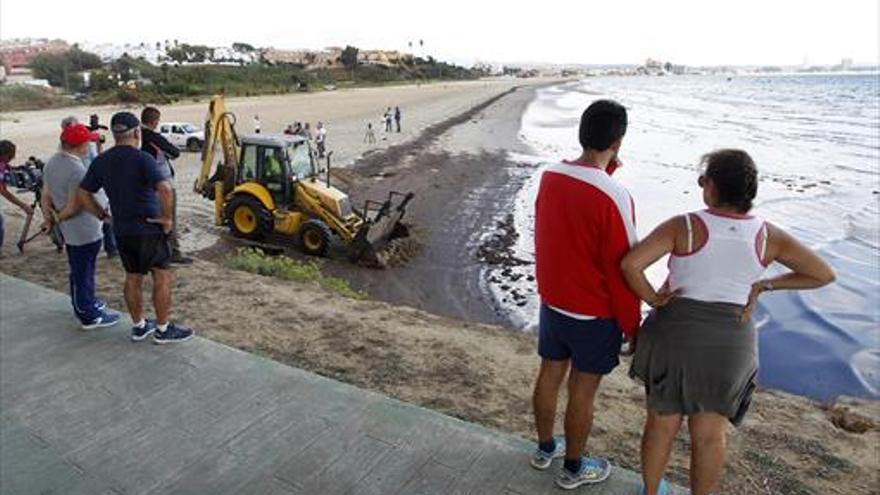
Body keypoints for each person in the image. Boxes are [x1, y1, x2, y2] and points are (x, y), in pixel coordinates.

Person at [621, 149, 836, 495]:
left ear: (711, 188)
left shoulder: (684, 226)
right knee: (710, 435)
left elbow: (631, 265)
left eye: (703, 180)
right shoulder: (768, 236)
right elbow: (823, 274)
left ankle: (650, 492)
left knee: (661, 425)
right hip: (731, 341)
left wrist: (653, 298)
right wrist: (765, 284)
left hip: (676, 333)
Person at [530, 100, 637, 490]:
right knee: (583, 390)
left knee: (549, 373)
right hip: (593, 314)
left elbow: (564, 226)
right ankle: (573, 469)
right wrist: (633, 325)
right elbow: (625, 266)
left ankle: (545, 449)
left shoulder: (551, 176)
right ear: (618, 140)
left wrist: (605, 171)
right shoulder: (615, 194)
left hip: (554, 302)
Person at [60, 111, 194, 344]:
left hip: (122, 230)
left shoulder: (102, 160)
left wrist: (102, 215)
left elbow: (83, 192)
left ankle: (139, 326)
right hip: (149, 228)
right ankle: (163, 329)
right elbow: (164, 188)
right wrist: (167, 219)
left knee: (133, 277)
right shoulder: (143, 158)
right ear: (136, 132)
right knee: (161, 276)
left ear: (114, 134)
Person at [41, 124, 120, 329]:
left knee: (80, 268)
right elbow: (78, 204)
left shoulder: (52, 162)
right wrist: (103, 216)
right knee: (83, 270)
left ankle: (87, 302)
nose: (90, 145)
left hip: (72, 230)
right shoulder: (76, 169)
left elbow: (46, 195)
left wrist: (49, 218)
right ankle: (87, 314)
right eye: (88, 141)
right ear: (80, 145)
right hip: (83, 229)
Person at [140, 107, 191, 264]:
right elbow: (175, 152)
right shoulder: (152, 137)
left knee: (150, 218)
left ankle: (152, 251)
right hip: (163, 184)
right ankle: (172, 252)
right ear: (154, 121)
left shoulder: (136, 136)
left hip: (145, 184)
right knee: (169, 218)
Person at [61, 116, 117, 258]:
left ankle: (109, 247)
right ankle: (110, 247)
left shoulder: (66, 147)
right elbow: (97, 160)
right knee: (100, 213)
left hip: (84, 184)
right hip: (88, 184)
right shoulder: (81, 145)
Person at [0, 140, 34, 257]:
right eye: (10, 156)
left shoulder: (3, 163)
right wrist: (22, 205)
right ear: (4, 155)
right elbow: (3, 190)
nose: (13, 157)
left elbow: (7, 168)